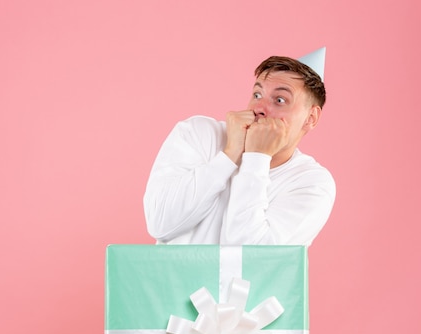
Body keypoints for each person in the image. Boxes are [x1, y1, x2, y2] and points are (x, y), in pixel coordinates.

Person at [143, 50, 335, 246]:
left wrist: (257, 157)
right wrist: (229, 154)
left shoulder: (312, 183)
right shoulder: (198, 133)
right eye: (257, 94)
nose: (259, 107)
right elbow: (160, 224)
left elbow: (249, 256)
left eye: (280, 100)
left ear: (311, 118)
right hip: (171, 277)